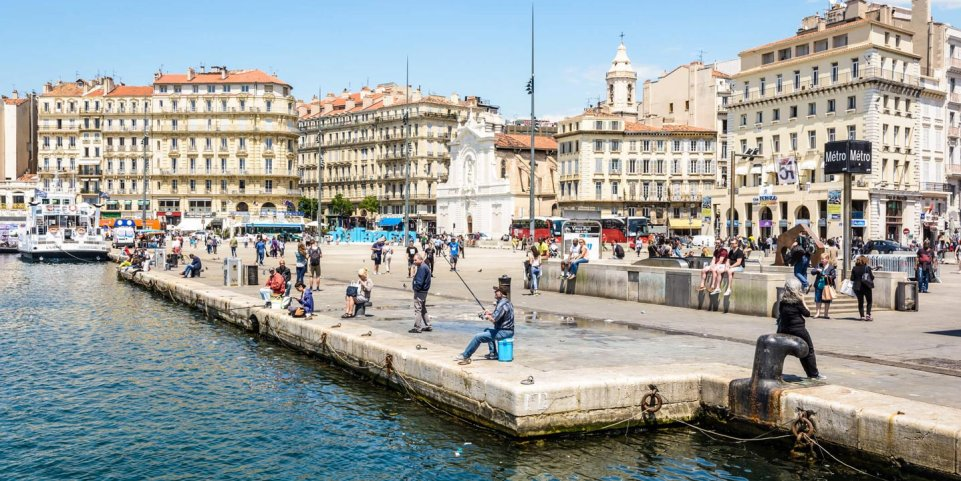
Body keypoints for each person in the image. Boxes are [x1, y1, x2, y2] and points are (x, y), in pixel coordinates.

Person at [776, 278, 824, 380]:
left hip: (784, 329)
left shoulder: (782, 302)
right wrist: (803, 300)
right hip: (798, 330)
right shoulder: (797, 302)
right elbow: (807, 313)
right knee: (809, 350)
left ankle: (775, 372)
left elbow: (780, 314)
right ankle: (814, 374)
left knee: (783, 352)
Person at [454, 286, 516, 363]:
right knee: (487, 330)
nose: (495, 292)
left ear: (502, 294)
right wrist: (490, 313)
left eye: (497, 291)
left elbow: (494, 320)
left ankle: (465, 355)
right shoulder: (507, 302)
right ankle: (493, 354)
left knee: (478, 337)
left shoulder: (501, 305)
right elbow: (499, 315)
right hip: (508, 330)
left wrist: (486, 316)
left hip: (504, 332)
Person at [409, 253, 433, 333]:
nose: (414, 261)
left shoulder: (422, 268)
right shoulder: (424, 266)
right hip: (424, 291)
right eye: (414, 260)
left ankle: (417, 327)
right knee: (423, 309)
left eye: (416, 260)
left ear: (421, 259)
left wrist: (416, 289)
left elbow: (420, 281)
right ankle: (428, 325)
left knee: (418, 309)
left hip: (420, 291)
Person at [852, 255, 875, 321]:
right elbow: (872, 277)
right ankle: (868, 315)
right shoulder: (867, 268)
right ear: (865, 261)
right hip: (866, 286)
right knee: (869, 301)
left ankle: (862, 316)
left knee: (860, 301)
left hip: (857, 287)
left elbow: (852, 278)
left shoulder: (854, 268)